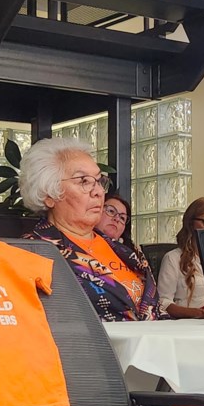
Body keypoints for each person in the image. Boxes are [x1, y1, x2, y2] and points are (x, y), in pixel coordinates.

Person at [20, 137, 160, 322]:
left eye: (99, 181)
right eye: (84, 181)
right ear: (49, 194)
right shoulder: (34, 253)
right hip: (91, 349)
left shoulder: (125, 251)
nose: (99, 192)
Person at [157, 197, 204, 319]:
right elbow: (163, 303)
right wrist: (201, 314)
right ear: (191, 223)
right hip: (191, 325)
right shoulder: (173, 258)